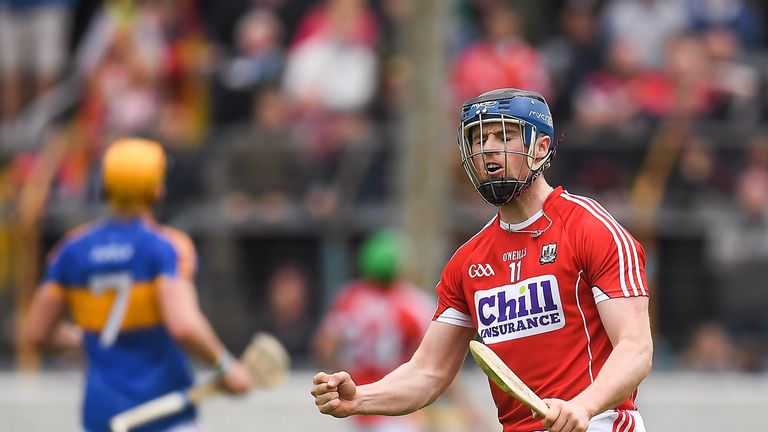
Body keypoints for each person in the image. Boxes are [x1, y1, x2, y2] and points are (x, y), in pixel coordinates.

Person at [311, 88, 653, 432]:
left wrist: (584, 405)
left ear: (542, 147)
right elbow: (428, 372)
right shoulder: (467, 262)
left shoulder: (591, 229)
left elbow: (636, 347)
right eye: (477, 138)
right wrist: (360, 399)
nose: (487, 147)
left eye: (503, 134)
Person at [22, 138, 253, 432]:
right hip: (165, 415)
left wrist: (90, 339)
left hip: (100, 417)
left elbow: (36, 332)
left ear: (105, 187)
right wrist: (226, 366)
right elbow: (182, 325)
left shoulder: (71, 249)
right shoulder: (167, 246)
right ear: (157, 189)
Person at [313, 231, 434, 432]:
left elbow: (324, 346)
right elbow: (435, 361)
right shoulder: (414, 304)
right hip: (398, 404)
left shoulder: (350, 298)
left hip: (357, 403)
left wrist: (339, 378)